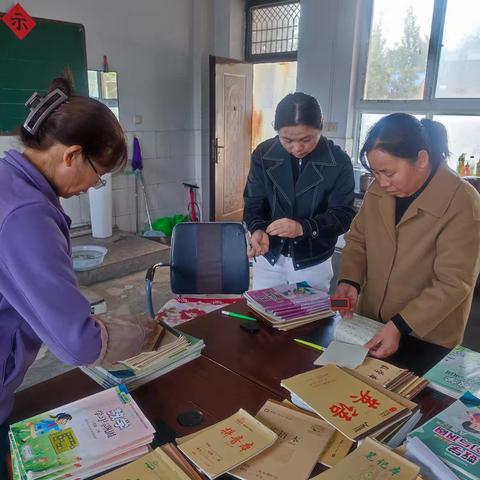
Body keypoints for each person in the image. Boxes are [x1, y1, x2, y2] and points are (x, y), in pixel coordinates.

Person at [0, 75, 159, 477]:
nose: (93, 186)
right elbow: (78, 344)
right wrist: (140, 333)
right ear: (71, 155)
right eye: (98, 174)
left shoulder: (8, 179)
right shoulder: (26, 215)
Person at [336, 113, 480, 359]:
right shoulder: (378, 189)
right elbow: (358, 240)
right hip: (370, 323)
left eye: (388, 173)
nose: (381, 182)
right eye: (375, 173)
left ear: (422, 159)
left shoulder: (463, 202)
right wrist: (350, 280)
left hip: (424, 336)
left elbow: (454, 282)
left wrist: (401, 325)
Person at [243, 92, 355, 291]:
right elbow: (254, 201)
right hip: (269, 256)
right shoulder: (263, 154)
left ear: (321, 125)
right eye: (287, 140)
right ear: (275, 130)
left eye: (306, 139)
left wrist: (304, 227)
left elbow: (343, 215)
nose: (296, 148)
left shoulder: (338, 162)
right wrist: (257, 228)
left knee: (308, 319)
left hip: (312, 260)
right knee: (262, 316)